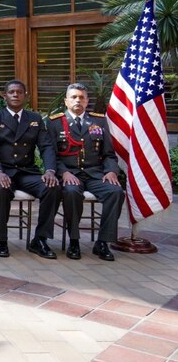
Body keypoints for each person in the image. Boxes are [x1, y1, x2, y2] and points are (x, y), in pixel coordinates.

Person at [0, 79, 60, 259]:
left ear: (25, 96)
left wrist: (49, 171)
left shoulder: (35, 119)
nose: (15, 95)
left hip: (27, 171)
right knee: (0, 191)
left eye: (19, 92)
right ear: (5, 96)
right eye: (11, 92)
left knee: (52, 188)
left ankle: (40, 239)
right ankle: (1, 240)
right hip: (3, 171)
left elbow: (46, 146)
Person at [46, 83, 123, 261]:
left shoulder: (99, 121)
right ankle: (74, 240)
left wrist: (111, 171)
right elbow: (50, 155)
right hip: (70, 174)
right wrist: (63, 172)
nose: (77, 100)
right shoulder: (55, 123)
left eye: (81, 97)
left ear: (87, 101)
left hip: (95, 174)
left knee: (116, 192)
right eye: (73, 97)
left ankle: (102, 242)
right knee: (72, 193)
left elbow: (109, 154)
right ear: (66, 101)